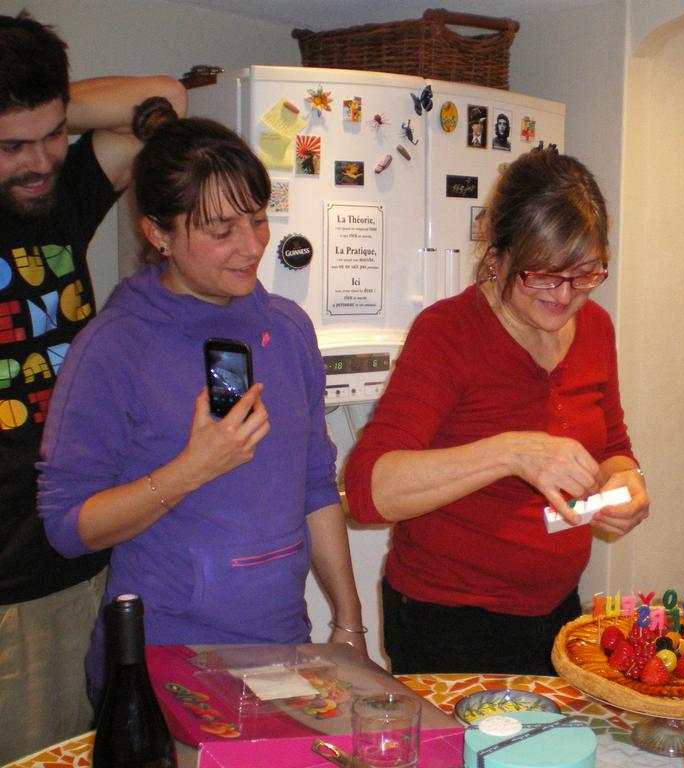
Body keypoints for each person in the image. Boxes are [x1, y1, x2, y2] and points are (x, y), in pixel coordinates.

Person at [38, 117, 366, 704]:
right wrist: (192, 470)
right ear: (158, 234)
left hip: (282, 651)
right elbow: (68, 527)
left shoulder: (288, 328)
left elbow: (316, 485)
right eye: (221, 230)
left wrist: (349, 624)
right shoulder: (114, 345)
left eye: (258, 219)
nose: (252, 246)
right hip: (162, 663)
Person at [345, 147, 649, 675]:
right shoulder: (449, 333)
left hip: (555, 610)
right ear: (498, 252)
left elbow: (614, 447)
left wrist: (626, 482)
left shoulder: (596, 328)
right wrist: (510, 453)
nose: (565, 296)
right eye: (544, 276)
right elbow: (368, 493)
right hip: (449, 621)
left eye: (584, 274)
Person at [0, 12, 185, 761]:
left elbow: (165, 99)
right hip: (12, 586)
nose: (39, 161)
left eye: (52, 134)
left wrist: (44, 109)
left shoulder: (59, 195)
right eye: (12, 146)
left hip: (90, 555)